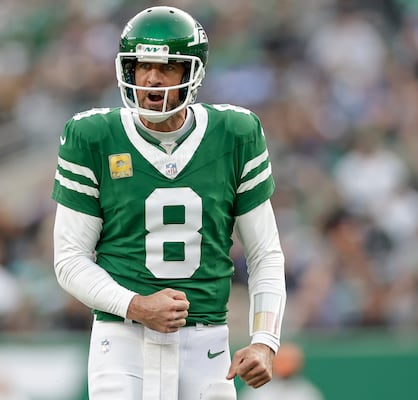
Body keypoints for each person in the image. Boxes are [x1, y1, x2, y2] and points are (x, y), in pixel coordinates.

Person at [52, 6, 286, 400]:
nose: (151, 78)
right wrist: (136, 304)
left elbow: (265, 253)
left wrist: (265, 340)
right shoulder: (92, 136)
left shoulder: (235, 133)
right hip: (121, 341)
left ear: (192, 74)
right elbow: (69, 259)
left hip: (207, 342)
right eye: (142, 65)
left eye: (167, 68)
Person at [239, 343, 324, 400]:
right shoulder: (257, 389)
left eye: (290, 361)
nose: (285, 365)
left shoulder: (307, 392)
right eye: (282, 360)